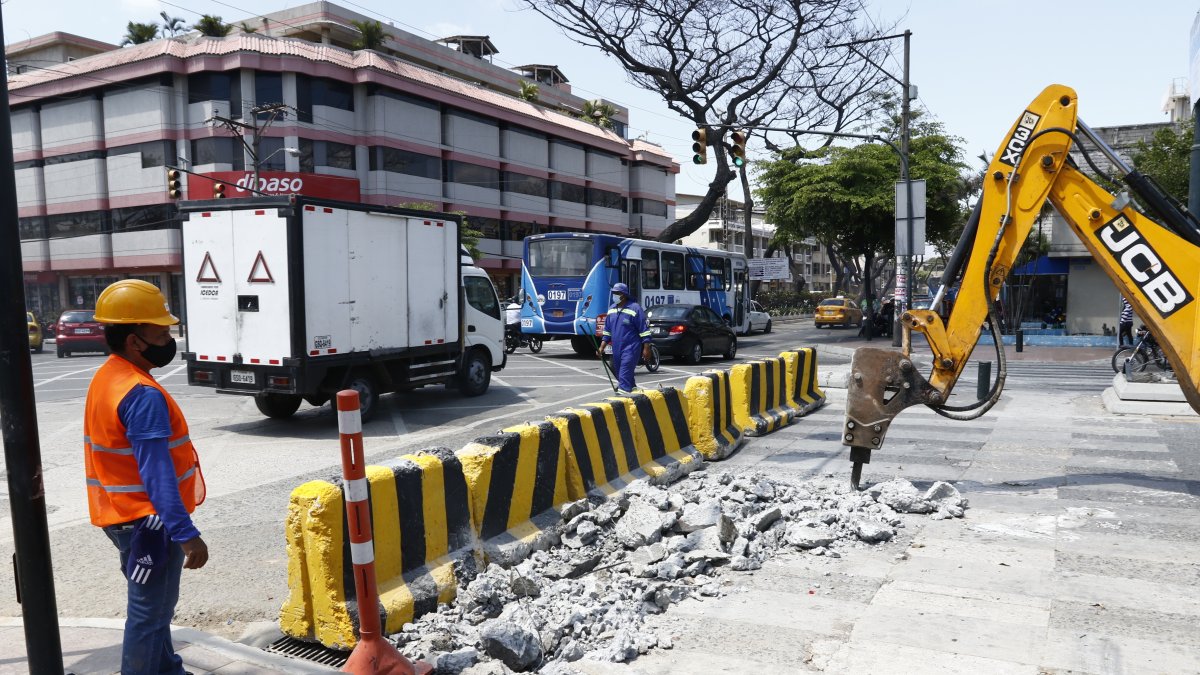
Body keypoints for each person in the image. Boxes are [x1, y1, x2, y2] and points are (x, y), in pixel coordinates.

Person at [84, 279, 207, 675]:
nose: (169, 340)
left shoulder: (109, 376)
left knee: (154, 609)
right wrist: (186, 534)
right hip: (150, 521)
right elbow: (157, 473)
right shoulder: (142, 394)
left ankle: (169, 669)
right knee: (149, 614)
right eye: (162, 334)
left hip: (121, 515)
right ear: (135, 341)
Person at [596, 282, 652, 395]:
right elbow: (607, 332)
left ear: (624, 295)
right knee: (619, 373)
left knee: (624, 373)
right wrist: (601, 347)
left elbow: (644, 330)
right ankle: (633, 390)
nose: (615, 295)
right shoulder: (611, 310)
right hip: (616, 348)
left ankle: (622, 394)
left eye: (617, 293)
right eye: (614, 293)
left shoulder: (635, 308)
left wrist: (646, 348)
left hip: (631, 348)